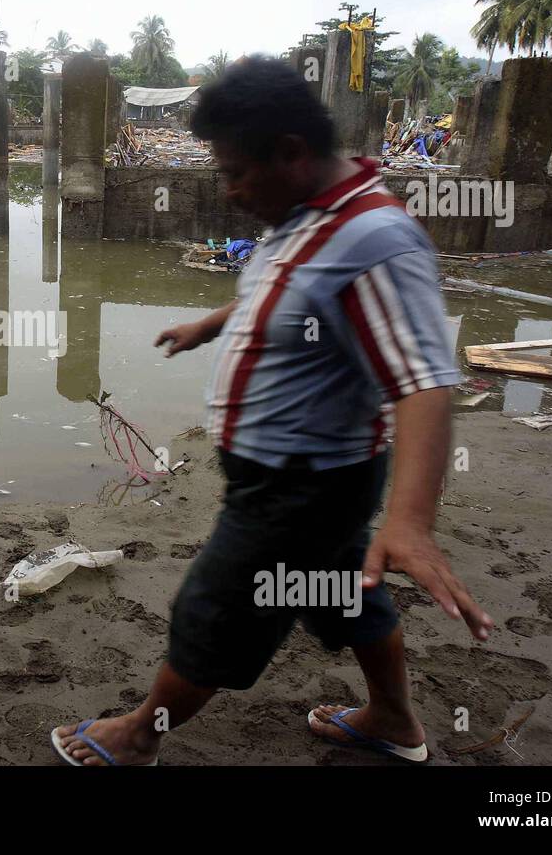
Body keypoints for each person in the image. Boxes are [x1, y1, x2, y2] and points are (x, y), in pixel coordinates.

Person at [51, 57, 493, 767]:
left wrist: (411, 523)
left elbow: (425, 381)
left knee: (215, 609)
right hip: (309, 477)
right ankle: (392, 720)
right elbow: (287, 286)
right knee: (343, 592)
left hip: (300, 484)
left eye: (233, 173)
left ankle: (138, 737)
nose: (228, 192)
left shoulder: (376, 242)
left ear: (290, 151)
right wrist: (215, 322)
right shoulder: (308, 211)